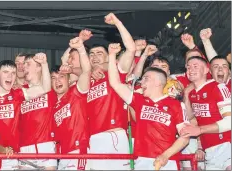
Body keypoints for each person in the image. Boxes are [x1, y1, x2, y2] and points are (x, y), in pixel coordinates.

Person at [107, 43, 189, 170]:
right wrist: (112, 56)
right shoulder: (138, 100)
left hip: (168, 161)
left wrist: (165, 155)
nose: (141, 82)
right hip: (142, 160)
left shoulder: (176, 105)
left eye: (146, 78)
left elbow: (185, 138)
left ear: (157, 82)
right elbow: (115, 83)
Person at [0, 53, 51, 170]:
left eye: (13, 73)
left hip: (10, 154)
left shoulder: (18, 94)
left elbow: (45, 88)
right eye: (5, 72)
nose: (10, 76)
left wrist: (44, 64)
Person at [86, 13, 136, 170]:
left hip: (113, 135)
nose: (94, 57)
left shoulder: (115, 72)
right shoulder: (85, 80)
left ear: (109, 57)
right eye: (92, 54)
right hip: (91, 139)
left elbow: (131, 48)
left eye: (100, 53)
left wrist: (117, 23)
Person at [181, 56, 231, 170]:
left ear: (206, 70)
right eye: (188, 67)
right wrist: (186, 97)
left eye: (195, 66)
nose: (191, 70)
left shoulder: (218, 87)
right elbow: (192, 119)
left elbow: (230, 122)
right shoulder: (192, 93)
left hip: (227, 145)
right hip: (209, 149)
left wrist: (200, 130)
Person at [51, 36, 91, 170]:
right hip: (62, 155)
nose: (58, 81)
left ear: (69, 80)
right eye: (54, 78)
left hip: (78, 150)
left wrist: (80, 48)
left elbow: (86, 71)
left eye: (61, 77)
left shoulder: (76, 92)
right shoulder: (54, 104)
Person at [18, 54, 57, 170]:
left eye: (28, 64)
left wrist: (45, 63)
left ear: (39, 67)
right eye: (23, 65)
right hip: (24, 148)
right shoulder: (19, 90)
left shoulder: (52, 87)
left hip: (46, 146)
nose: (24, 67)